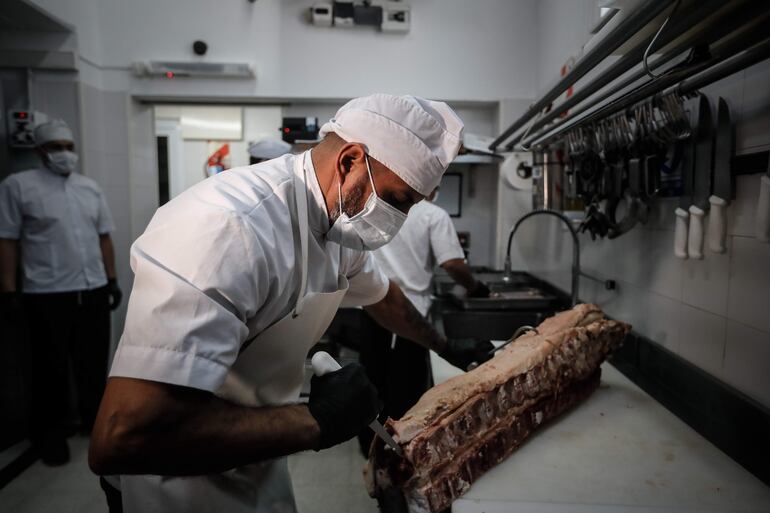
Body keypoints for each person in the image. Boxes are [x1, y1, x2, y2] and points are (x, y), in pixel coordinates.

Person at [88, 94, 493, 513]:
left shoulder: (339, 224)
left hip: (252, 455)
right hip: (173, 483)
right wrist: (318, 420)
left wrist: (444, 346)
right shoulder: (228, 228)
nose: (400, 218)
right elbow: (124, 437)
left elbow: (384, 297)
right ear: (350, 161)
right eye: (400, 199)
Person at [0, 119, 122, 466]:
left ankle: (93, 422)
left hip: (92, 288)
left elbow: (104, 237)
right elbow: (6, 240)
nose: (65, 154)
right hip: (47, 292)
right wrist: (8, 291)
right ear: (40, 151)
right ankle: (49, 435)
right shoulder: (18, 186)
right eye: (56, 148)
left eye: (69, 147)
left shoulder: (89, 188)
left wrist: (111, 279)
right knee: (49, 368)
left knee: (93, 362)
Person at [357, 186, 490, 455]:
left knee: (371, 381)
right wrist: (475, 287)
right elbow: (452, 264)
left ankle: (370, 448)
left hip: (374, 309)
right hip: (412, 315)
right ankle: (400, 452)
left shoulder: (375, 210)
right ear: (434, 187)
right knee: (406, 390)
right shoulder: (433, 215)